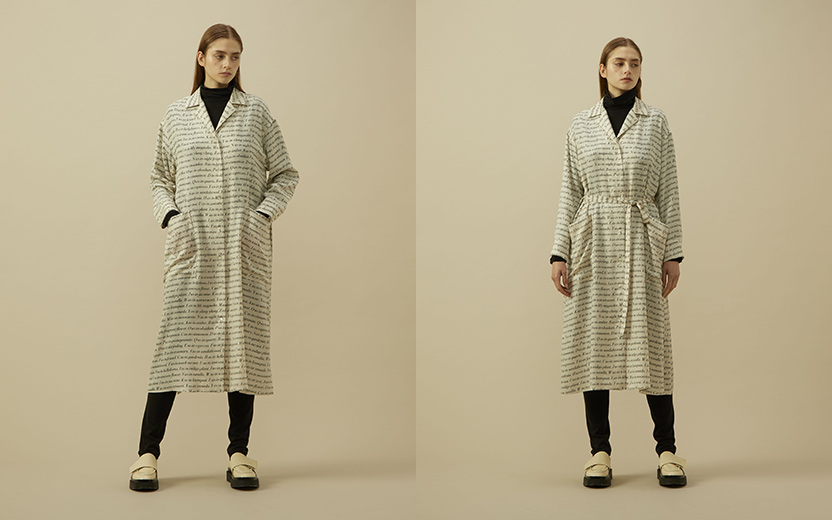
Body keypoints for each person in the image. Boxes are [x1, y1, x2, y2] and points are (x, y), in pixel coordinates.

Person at [129, 23, 299, 492]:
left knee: (243, 348)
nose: (228, 64)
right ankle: (146, 454)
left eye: (236, 56)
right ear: (201, 57)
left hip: (243, 249)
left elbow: (285, 174)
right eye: (220, 55)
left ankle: (239, 453)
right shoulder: (176, 114)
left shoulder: (255, 112)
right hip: (192, 247)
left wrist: (261, 216)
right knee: (171, 348)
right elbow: (159, 177)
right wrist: (172, 217)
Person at [549, 37, 687, 488]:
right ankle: (599, 452)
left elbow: (669, 189)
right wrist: (560, 251)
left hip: (643, 239)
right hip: (592, 241)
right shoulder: (580, 124)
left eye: (635, 64)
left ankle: (667, 450)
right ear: (603, 69)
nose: (628, 70)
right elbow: (570, 190)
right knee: (594, 346)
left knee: (653, 348)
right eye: (619, 63)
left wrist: (673, 253)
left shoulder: (656, 122)